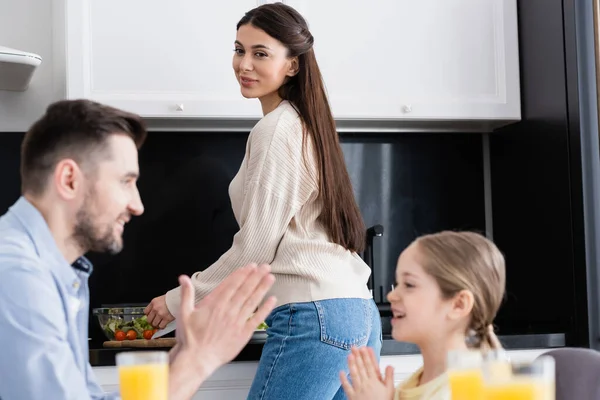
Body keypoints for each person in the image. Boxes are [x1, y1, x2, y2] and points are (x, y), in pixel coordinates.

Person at [144, 2, 382, 398]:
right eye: (239, 50)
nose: (244, 64)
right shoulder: (307, 126)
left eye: (260, 53)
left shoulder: (277, 130)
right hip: (357, 312)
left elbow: (255, 247)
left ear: (292, 65)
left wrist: (179, 299)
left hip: (314, 314)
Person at [0, 99, 276, 400]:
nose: (137, 205)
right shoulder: (17, 276)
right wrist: (199, 361)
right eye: (125, 181)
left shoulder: (56, 272)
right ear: (69, 179)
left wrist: (185, 355)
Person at [339, 231, 506, 400]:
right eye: (397, 284)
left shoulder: (470, 388)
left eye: (409, 284)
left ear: (458, 304)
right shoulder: (415, 384)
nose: (392, 295)